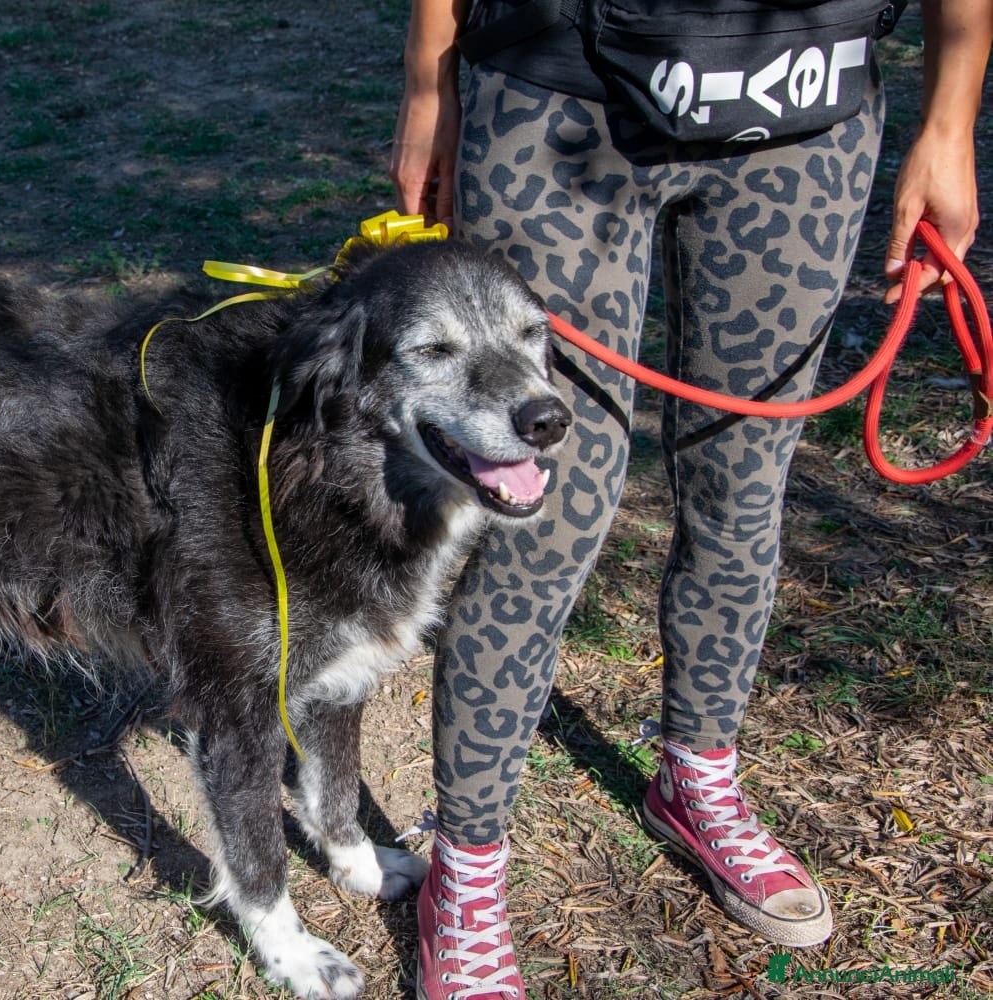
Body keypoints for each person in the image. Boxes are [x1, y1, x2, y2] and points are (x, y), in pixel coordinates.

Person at [391, 1, 992, 997]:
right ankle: (467, 867)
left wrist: (949, 121)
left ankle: (697, 779)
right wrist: (427, 82)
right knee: (537, 517)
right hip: (556, 97)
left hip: (805, 112)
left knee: (743, 486)